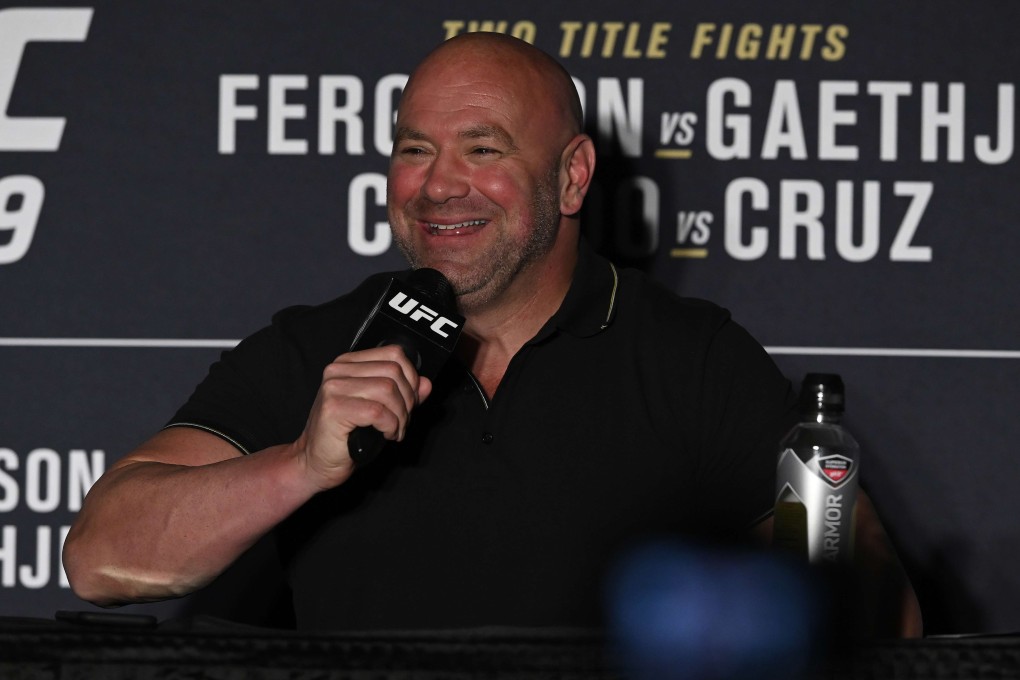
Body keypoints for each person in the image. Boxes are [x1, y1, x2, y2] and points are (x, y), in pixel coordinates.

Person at [63, 33, 920, 635]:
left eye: (483, 150)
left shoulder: (687, 356)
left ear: (572, 175)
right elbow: (101, 560)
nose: (438, 185)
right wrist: (301, 464)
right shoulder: (319, 347)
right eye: (414, 149)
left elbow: (876, 604)